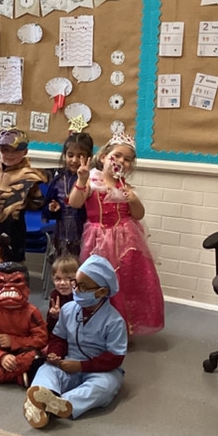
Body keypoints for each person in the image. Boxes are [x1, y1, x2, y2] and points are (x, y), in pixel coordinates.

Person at [68, 132, 164, 336]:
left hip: (127, 241)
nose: (121, 161)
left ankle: (125, 326)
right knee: (98, 280)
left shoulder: (126, 187)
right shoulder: (93, 181)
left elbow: (138, 215)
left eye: (127, 159)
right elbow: (75, 202)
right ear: (103, 157)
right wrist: (82, 180)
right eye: (117, 156)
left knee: (127, 282)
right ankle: (98, 325)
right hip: (98, 240)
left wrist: (133, 200)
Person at [23, 254, 127, 428]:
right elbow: (58, 337)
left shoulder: (114, 321)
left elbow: (115, 358)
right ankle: (44, 397)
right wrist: (55, 353)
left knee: (105, 387)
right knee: (46, 370)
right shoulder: (68, 309)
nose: (76, 290)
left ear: (101, 292)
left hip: (101, 370)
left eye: (83, 287)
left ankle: (58, 403)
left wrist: (81, 366)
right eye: (75, 284)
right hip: (68, 361)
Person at [0, 127, 47, 261]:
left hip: (14, 229)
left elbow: (37, 205)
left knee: (14, 264)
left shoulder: (30, 175)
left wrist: (34, 194)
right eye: (5, 150)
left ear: (25, 152)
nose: (10, 155)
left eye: (16, 150)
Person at [43, 131, 94, 258]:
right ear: (64, 155)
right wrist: (53, 209)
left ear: (89, 157)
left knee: (80, 264)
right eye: (70, 155)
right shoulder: (58, 180)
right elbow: (47, 210)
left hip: (84, 232)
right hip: (61, 231)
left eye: (80, 156)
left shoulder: (92, 180)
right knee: (61, 264)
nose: (74, 160)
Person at [46, 253, 77, 335]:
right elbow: (50, 327)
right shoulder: (54, 295)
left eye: (69, 278)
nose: (62, 283)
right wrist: (54, 317)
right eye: (58, 279)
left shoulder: (81, 297)